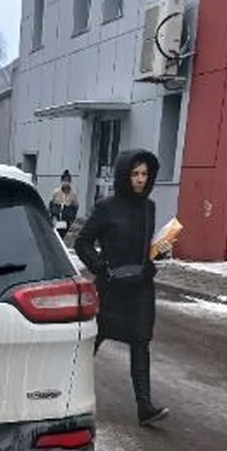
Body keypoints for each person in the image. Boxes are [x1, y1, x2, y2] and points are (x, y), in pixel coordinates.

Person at [74, 149, 168, 426]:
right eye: (135, 174)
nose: (140, 179)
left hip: (140, 287)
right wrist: (101, 267)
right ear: (124, 175)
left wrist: (157, 254)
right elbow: (83, 242)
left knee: (141, 343)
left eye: (145, 175)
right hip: (111, 288)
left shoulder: (149, 207)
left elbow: (143, 247)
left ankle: (144, 406)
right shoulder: (107, 207)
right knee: (92, 341)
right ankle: (70, 395)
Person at [49, 170, 79, 241]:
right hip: (57, 217)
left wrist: (71, 218)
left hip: (67, 218)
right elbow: (51, 205)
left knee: (64, 235)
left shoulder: (73, 194)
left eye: (67, 181)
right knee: (56, 235)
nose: (66, 183)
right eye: (64, 180)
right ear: (61, 181)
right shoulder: (56, 192)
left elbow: (75, 207)